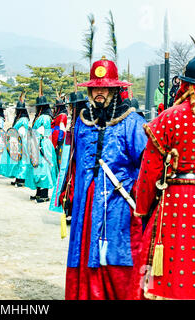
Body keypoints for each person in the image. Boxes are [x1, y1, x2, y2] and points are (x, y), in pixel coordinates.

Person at [131, 51, 195, 300]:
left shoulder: (169, 118)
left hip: (179, 203)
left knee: (177, 267)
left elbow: (149, 172)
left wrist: (142, 209)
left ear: (185, 84)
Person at [65, 57, 147, 300]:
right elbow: (73, 164)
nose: (99, 93)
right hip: (85, 203)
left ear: (115, 90)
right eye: (95, 88)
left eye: (104, 88)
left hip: (118, 205)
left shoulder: (132, 123)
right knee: (83, 250)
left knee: (116, 253)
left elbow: (146, 167)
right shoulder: (81, 122)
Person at [51, 92, 88, 218]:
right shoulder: (75, 120)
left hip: (79, 158)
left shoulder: (82, 121)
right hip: (71, 156)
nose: (69, 109)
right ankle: (69, 209)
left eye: (71, 106)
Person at [25, 85, 59, 203]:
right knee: (36, 167)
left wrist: (38, 140)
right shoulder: (39, 117)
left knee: (43, 168)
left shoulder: (45, 117)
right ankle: (38, 192)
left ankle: (44, 194)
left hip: (42, 144)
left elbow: (46, 132)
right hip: (36, 142)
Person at [0, 93, 30, 187]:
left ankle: (22, 179)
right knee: (17, 161)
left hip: (22, 141)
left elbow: (23, 131)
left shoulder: (24, 119)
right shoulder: (19, 118)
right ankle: (18, 177)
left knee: (22, 161)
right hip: (17, 141)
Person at [51, 96, 68, 167]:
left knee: (59, 156)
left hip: (58, 139)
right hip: (54, 137)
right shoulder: (58, 115)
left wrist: (59, 141)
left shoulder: (62, 116)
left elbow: (62, 129)